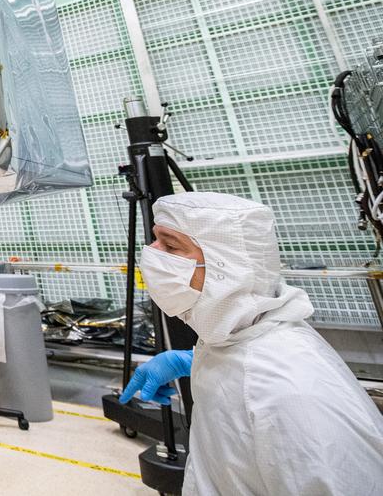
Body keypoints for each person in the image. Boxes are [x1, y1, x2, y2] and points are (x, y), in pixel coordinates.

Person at [121, 192, 383, 495]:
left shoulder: (296, 398)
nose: (152, 254)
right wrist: (190, 360)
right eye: (155, 241)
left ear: (225, 267)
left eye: (170, 245)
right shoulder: (240, 340)